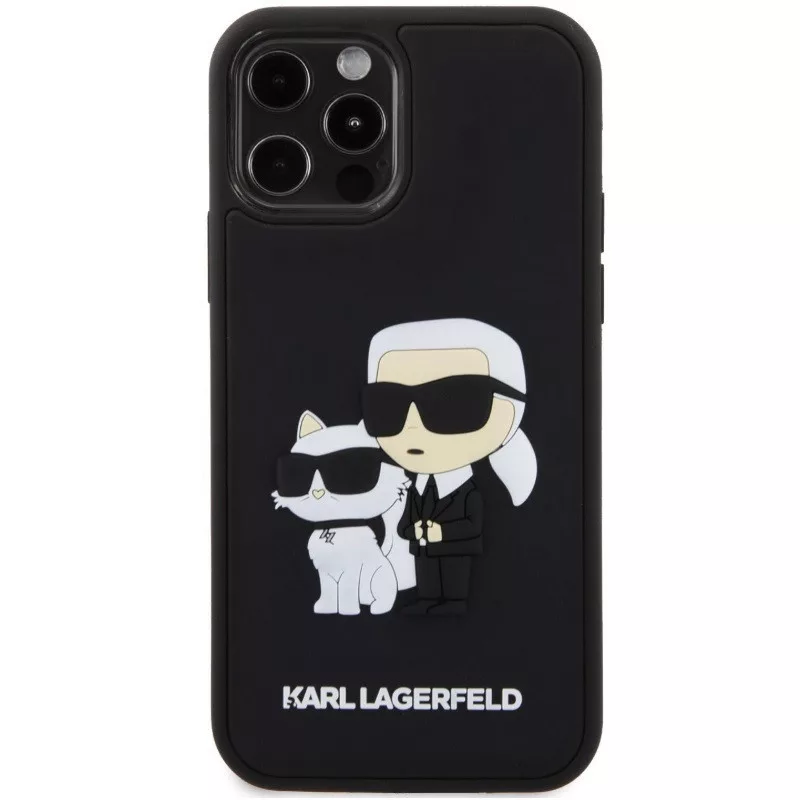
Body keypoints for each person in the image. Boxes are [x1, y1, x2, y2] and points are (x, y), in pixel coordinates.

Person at [362, 318, 537, 615]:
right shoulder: (416, 488)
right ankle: (428, 600)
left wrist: (440, 532)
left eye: (454, 403)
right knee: (427, 575)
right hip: (423, 548)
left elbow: (472, 524)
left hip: (456, 551)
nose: (413, 425)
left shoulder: (468, 491)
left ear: (509, 410)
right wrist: (413, 530)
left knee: (453, 577)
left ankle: (452, 602)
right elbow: (405, 522)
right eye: (388, 405)